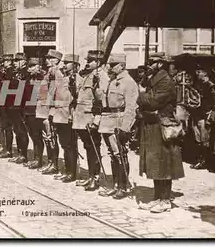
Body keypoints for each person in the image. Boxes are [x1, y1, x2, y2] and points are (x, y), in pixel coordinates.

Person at [137, 52, 185, 213]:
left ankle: (165, 200)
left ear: (161, 64)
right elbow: (146, 102)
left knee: (164, 162)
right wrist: (144, 96)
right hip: (153, 124)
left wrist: (143, 93)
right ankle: (157, 198)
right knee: (154, 163)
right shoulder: (152, 80)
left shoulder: (165, 81)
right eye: (149, 61)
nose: (149, 64)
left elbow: (153, 102)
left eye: (153, 61)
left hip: (163, 126)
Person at [98, 54, 139, 200]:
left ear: (122, 65)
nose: (110, 67)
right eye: (110, 64)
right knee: (112, 154)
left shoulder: (128, 82)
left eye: (114, 64)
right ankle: (116, 185)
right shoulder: (112, 81)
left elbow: (131, 107)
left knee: (120, 154)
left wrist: (125, 127)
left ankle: (124, 186)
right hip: (108, 120)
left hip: (119, 121)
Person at [73, 50, 109, 191]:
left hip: (92, 118)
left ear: (98, 62)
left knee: (94, 148)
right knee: (89, 147)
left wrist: (97, 120)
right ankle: (90, 176)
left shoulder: (101, 77)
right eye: (87, 60)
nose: (87, 62)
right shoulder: (89, 75)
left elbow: (102, 101)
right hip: (83, 118)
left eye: (91, 60)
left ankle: (95, 178)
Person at [52, 54, 80, 182]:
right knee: (64, 144)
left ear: (74, 65)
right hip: (59, 115)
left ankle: (72, 172)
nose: (64, 65)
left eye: (67, 63)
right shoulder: (64, 78)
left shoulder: (76, 79)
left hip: (68, 115)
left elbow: (76, 98)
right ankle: (67, 170)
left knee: (70, 145)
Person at [22, 57, 45, 169]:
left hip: (36, 111)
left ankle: (38, 159)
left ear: (39, 67)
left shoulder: (42, 78)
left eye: (32, 66)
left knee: (37, 135)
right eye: (29, 66)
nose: (30, 68)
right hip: (28, 110)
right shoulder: (28, 78)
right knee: (32, 135)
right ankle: (35, 158)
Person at [8, 52, 30, 164]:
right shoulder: (13, 72)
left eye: (17, 60)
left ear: (24, 61)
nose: (15, 63)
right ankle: (19, 152)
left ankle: (24, 155)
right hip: (12, 106)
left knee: (22, 131)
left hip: (22, 106)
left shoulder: (26, 73)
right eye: (15, 61)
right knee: (16, 130)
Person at [0, 54, 16, 159]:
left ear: (9, 62)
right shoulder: (5, 72)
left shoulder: (10, 72)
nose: (3, 63)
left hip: (8, 103)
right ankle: (6, 148)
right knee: (5, 127)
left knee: (8, 128)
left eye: (5, 61)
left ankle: (9, 150)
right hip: (3, 102)